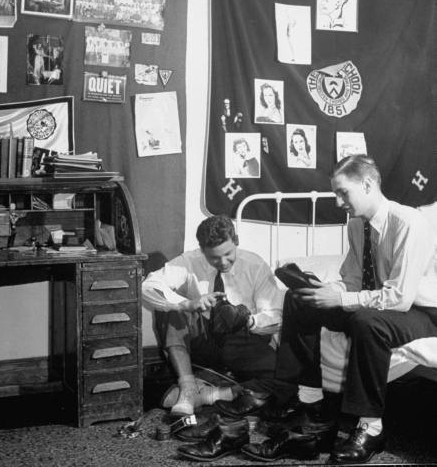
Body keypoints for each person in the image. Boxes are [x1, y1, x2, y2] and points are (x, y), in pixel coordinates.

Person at [251, 154, 437, 464]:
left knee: (367, 322)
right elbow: (352, 279)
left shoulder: (410, 223)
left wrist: (342, 300)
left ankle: (372, 428)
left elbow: (401, 298)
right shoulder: (356, 225)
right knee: (299, 301)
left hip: (424, 313)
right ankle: (314, 408)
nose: (338, 202)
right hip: (384, 306)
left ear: (367, 184)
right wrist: (327, 291)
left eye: (342, 192)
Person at [142, 214, 295, 417]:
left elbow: (275, 315)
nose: (223, 262)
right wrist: (187, 303)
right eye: (213, 257)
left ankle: (209, 395)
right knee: (172, 309)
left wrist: (248, 320)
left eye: (228, 254)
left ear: (236, 242)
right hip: (200, 340)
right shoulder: (189, 261)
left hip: (239, 340)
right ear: (202, 249)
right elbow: (148, 287)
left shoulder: (255, 265)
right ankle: (188, 387)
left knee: (286, 379)